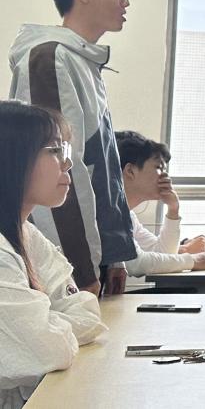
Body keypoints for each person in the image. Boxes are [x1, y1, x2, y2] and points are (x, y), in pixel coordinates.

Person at [8, 0, 137, 296]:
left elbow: (102, 170)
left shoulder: (82, 62)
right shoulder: (51, 58)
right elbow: (58, 173)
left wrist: (115, 254)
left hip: (89, 259)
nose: (126, 0)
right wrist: (79, 272)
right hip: (63, 267)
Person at [0, 101, 106, 409]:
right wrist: (48, 325)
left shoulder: (26, 233)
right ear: (12, 156)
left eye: (65, 150)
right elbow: (48, 351)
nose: (67, 163)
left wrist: (49, 322)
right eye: (55, 150)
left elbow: (85, 309)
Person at [115, 131, 205, 285]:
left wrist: (173, 210)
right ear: (130, 171)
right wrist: (192, 261)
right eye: (159, 167)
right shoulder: (109, 212)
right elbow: (136, 263)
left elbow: (163, 252)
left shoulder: (128, 215)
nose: (165, 176)